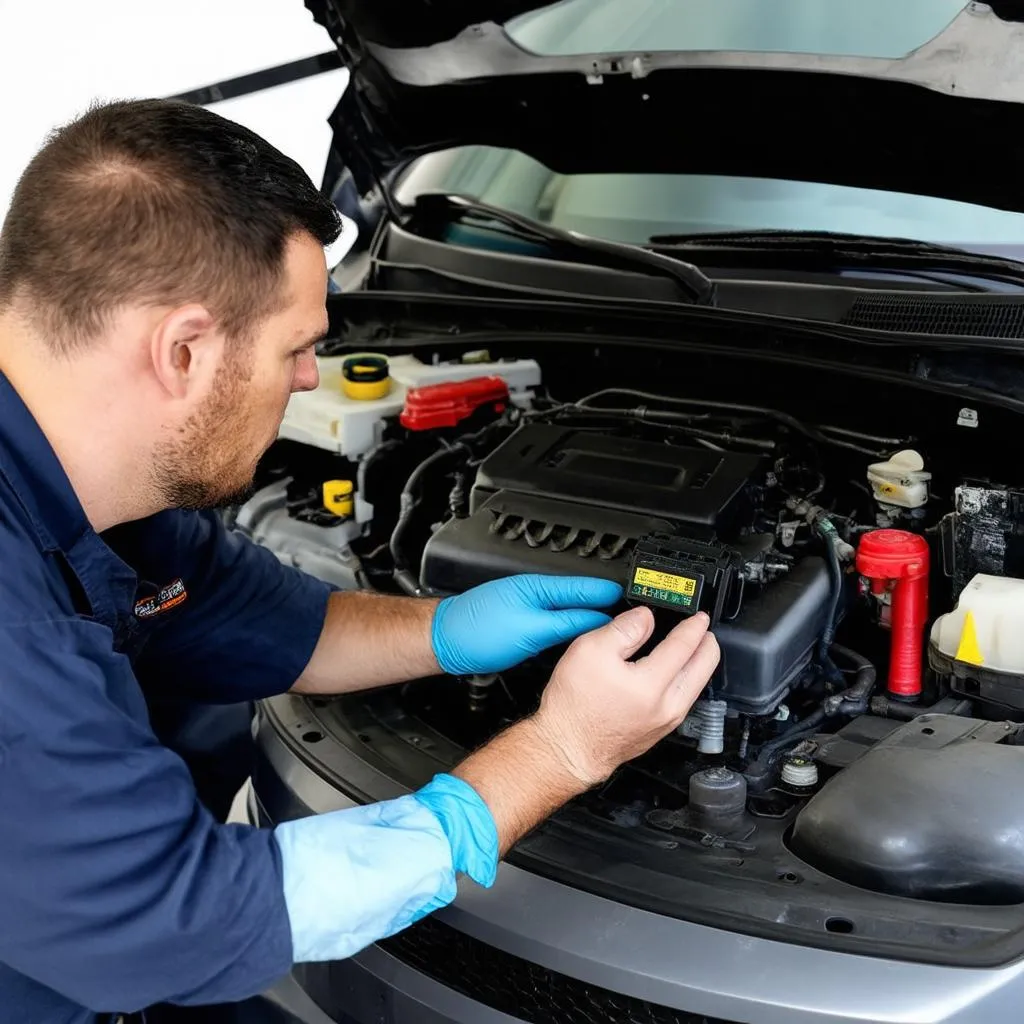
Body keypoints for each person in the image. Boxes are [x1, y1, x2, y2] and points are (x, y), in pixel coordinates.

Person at [0, 98, 720, 1024]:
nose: (310, 379)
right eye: (298, 346)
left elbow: (255, 616)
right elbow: (181, 923)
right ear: (182, 349)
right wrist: (558, 751)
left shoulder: (90, 485)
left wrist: (449, 631)